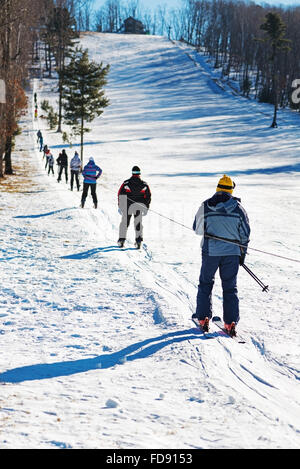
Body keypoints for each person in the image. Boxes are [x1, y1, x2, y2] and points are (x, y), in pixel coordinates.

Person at [192, 175, 250, 336]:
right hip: (232, 254)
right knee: (230, 287)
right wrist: (242, 253)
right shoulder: (238, 209)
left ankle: (203, 319)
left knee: (205, 283)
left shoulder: (206, 205)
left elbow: (197, 229)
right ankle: (230, 322)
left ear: (217, 188)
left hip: (211, 252)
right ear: (231, 189)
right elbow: (245, 234)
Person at [117, 166, 151, 249]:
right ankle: (138, 241)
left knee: (124, 223)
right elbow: (148, 196)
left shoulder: (126, 183)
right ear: (139, 173)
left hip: (127, 206)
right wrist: (146, 206)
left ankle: (121, 240)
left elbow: (120, 194)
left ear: (132, 173)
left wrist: (120, 206)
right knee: (138, 223)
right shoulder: (144, 184)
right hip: (138, 206)